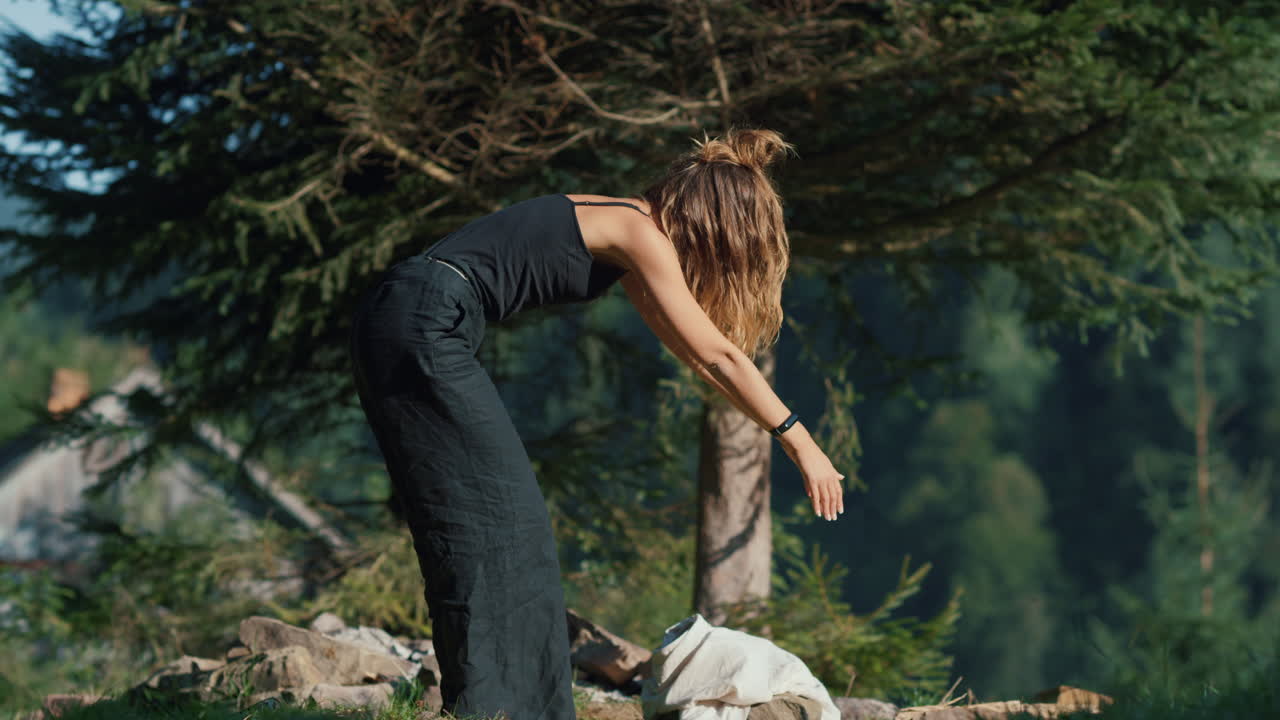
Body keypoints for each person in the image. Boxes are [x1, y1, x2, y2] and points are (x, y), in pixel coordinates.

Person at [347, 127, 847, 720]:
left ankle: (507, 706)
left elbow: (695, 353)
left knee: (493, 524)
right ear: (715, 222)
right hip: (424, 322)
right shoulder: (640, 233)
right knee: (498, 523)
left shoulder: (624, 229)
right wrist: (800, 440)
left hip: (412, 315)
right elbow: (720, 356)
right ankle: (503, 709)